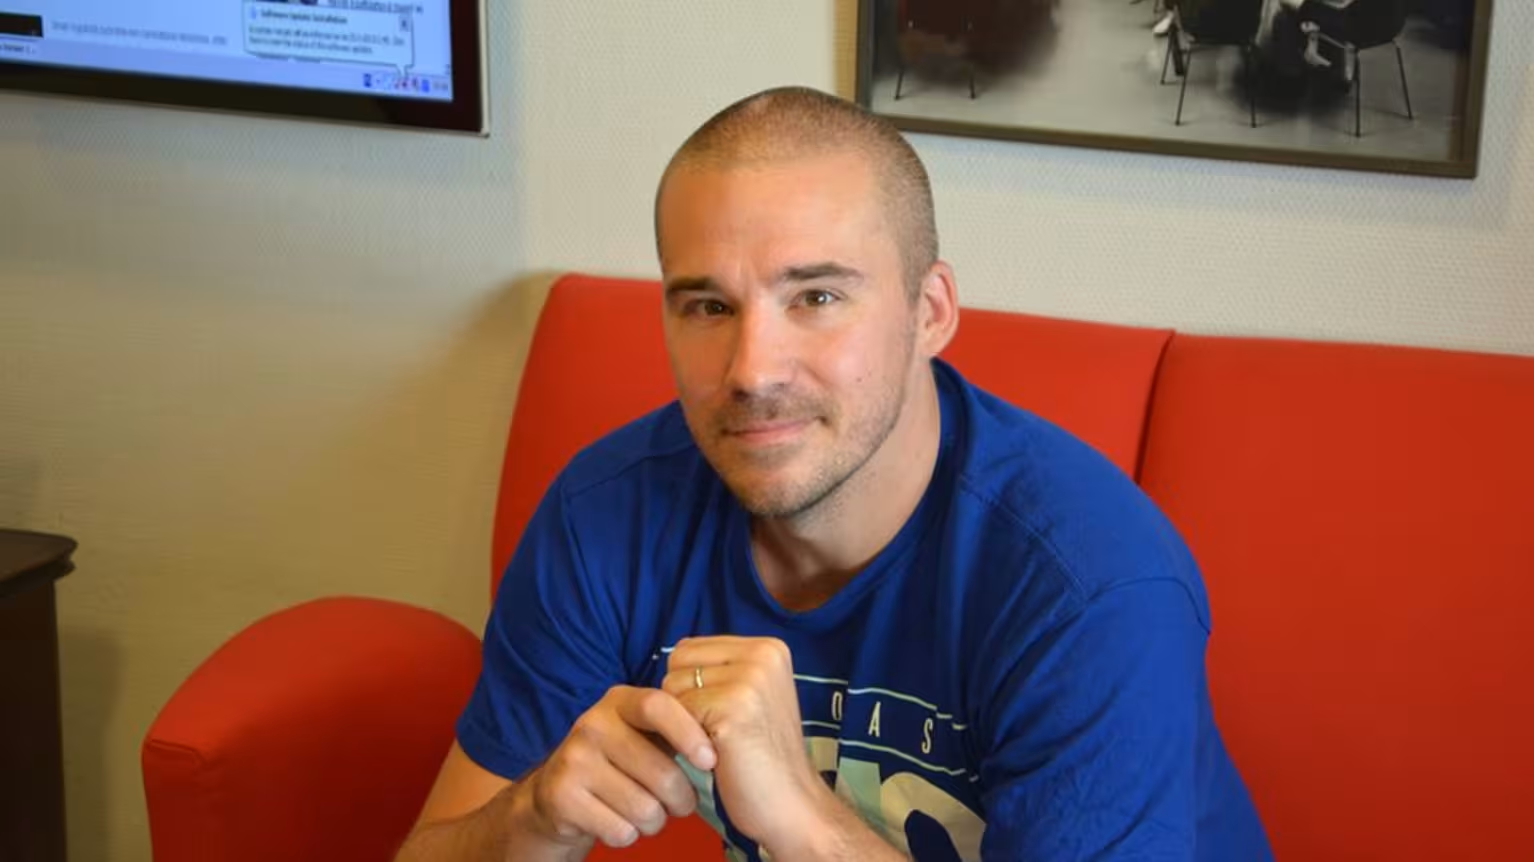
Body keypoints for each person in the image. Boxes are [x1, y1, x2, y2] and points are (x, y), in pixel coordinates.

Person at [395, 86, 1273, 861]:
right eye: (708, 305)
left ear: (930, 312)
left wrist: (806, 825)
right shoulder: (606, 515)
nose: (752, 371)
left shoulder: (1088, 584)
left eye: (816, 297)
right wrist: (535, 819)